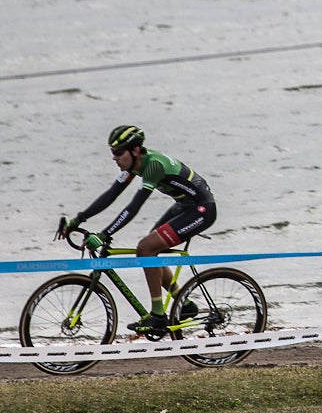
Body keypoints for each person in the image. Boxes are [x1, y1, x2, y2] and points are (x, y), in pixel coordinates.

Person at [58, 124, 218, 335]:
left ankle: (158, 316)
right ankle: (185, 304)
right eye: (112, 153)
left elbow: (134, 206)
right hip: (183, 206)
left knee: (146, 248)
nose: (114, 158)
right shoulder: (132, 167)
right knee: (151, 249)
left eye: (118, 152)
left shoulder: (153, 165)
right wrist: (77, 220)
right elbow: (111, 195)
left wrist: (105, 234)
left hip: (201, 210)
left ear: (134, 151)